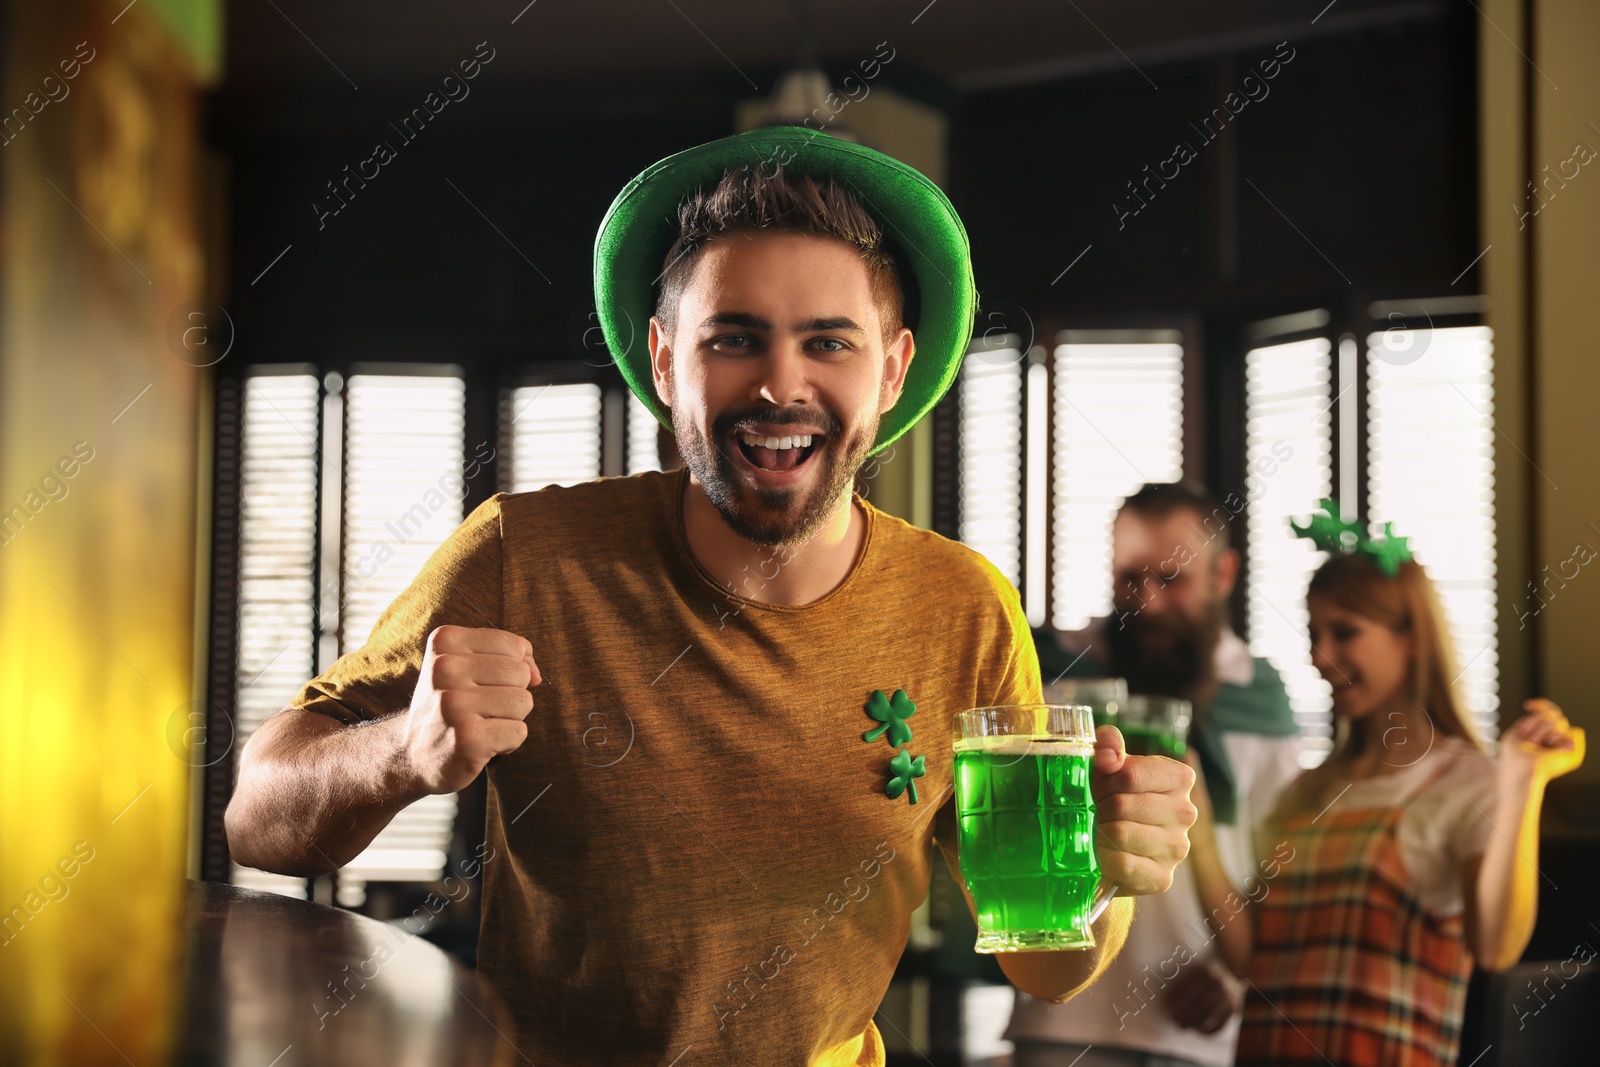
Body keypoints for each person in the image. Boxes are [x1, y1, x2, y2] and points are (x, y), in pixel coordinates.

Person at [223, 127, 1197, 1066]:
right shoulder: (524, 554)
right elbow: (255, 820)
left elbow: (1042, 960)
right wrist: (404, 749)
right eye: (735, 338)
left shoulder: (962, 605)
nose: (780, 384)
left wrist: (1100, 875)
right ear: (661, 359)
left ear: (891, 370)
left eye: (829, 343)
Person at [1194, 504, 1585, 1067]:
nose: (1320, 657)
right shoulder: (1306, 791)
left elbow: (1496, 947)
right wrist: (1197, 825)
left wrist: (1522, 780)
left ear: (1410, 638)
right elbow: (1248, 956)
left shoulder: (1464, 782)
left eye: (1344, 632)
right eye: (1313, 634)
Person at [1007, 481, 1301, 1067]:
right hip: (1062, 1019)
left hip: (1190, 1029)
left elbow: (1282, 877)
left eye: (1172, 580)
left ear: (1222, 576)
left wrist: (1234, 980)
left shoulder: (1260, 701)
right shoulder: (1054, 677)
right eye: (1130, 579)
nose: (1147, 602)